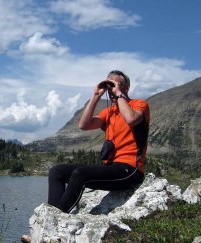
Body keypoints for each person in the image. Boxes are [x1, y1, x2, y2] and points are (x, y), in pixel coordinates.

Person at [47, 70, 150, 213]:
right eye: (109, 86)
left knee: (80, 173)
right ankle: (50, 214)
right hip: (112, 168)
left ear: (126, 87)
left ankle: (56, 217)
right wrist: (96, 95)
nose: (111, 90)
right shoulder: (110, 112)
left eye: (115, 85)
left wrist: (119, 94)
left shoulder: (139, 104)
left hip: (131, 170)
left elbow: (131, 119)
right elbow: (84, 125)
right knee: (56, 171)